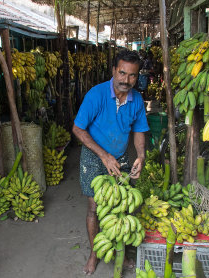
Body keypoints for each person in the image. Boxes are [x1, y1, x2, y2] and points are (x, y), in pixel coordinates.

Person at [72, 49, 149, 275]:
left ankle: (118, 252)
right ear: (114, 70)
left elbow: (139, 130)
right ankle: (95, 253)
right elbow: (77, 128)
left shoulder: (136, 100)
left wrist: (141, 156)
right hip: (94, 157)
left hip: (121, 157)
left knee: (121, 207)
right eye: (122, 73)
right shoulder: (96, 95)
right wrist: (103, 155)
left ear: (137, 76)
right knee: (94, 207)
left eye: (132, 75)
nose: (126, 80)